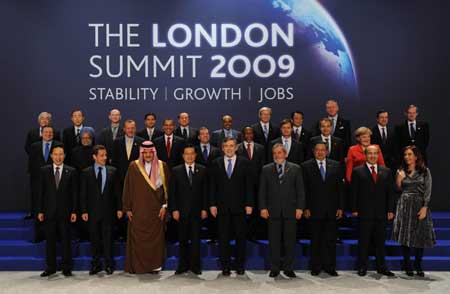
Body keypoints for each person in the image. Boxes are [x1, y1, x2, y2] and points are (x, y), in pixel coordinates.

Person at [122, 141, 170, 274]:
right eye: (145, 153)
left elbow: (168, 190)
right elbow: (128, 188)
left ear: (154, 152)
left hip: (156, 211)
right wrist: (127, 208)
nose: (148, 155)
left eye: (150, 152)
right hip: (138, 210)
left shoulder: (162, 166)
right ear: (141, 153)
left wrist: (165, 206)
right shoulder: (133, 166)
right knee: (139, 241)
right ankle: (138, 267)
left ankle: (154, 266)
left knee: (156, 241)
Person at [259, 143, 305, 278]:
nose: (277, 155)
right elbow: (262, 191)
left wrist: (300, 208)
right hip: (272, 211)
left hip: (291, 211)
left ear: (285, 154)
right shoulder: (266, 169)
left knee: (290, 241)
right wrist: (263, 207)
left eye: (280, 153)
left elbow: (300, 190)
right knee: (274, 241)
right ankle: (275, 267)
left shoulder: (296, 169)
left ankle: (288, 268)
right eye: (275, 153)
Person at [209, 138, 254, 276]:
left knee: (240, 237)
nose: (229, 148)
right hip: (221, 208)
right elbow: (212, 186)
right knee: (223, 238)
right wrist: (212, 204)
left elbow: (249, 185)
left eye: (231, 146)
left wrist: (249, 203)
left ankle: (240, 265)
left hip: (240, 207)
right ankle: (226, 266)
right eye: (226, 146)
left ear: (236, 148)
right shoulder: (216, 163)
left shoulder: (245, 163)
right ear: (222, 148)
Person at [351, 145, 395, 277]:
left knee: (380, 242)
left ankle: (382, 267)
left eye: (375, 153)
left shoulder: (386, 171)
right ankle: (362, 267)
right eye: (370, 153)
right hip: (364, 212)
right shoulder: (358, 171)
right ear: (365, 155)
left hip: (381, 213)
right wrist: (354, 209)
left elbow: (390, 193)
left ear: (378, 155)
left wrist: (390, 210)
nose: (373, 156)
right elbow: (354, 193)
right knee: (364, 241)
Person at [302, 142, 344, 276]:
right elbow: (304, 189)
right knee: (316, 240)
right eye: (317, 150)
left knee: (330, 240)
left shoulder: (336, 165)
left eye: (323, 150)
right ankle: (316, 267)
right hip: (313, 209)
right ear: (313, 151)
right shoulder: (306, 166)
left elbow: (340, 190)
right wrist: (305, 207)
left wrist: (340, 207)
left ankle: (330, 267)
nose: (320, 152)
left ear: (327, 151)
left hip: (331, 209)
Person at [392, 146, 436, 277]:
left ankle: (418, 263)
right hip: (404, 206)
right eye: (405, 154)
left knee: (419, 235)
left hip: (419, 205)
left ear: (416, 156)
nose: (407, 157)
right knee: (405, 235)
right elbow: (397, 190)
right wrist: (399, 180)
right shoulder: (400, 171)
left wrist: (425, 207)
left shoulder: (424, 171)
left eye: (410, 154)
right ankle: (407, 264)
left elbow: (428, 190)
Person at [80, 145, 123, 275]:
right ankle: (96, 264)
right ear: (94, 157)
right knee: (94, 239)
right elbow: (83, 193)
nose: (105, 157)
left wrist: (120, 208)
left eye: (106, 155)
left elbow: (117, 192)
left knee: (108, 238)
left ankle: (109, 264)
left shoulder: (113, 171)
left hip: (108, 211)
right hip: (92, 212)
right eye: (102, 155)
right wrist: (84, 211)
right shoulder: (86, 172)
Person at [36, 143, 78, 277]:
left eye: (61, 154)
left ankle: (66, 267)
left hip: (65, 212)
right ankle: (51, 267)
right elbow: (40, 193)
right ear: (51, 155)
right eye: (56, 154)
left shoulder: (71, 171)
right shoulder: (44, 170)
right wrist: (40, 211)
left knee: (66, 240)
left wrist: (74, 211)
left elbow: (74, 194)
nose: (58, 157)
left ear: (64, 156)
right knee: (50, 241)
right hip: (49, 212)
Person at [169, 145, 208, 275]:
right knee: (183, 239)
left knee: (196, 240)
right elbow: (172, 193)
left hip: (197, 212)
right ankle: (183, 265)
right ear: (183, 156)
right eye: (187, 154)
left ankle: (195, 266)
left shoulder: (202, 170)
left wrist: (204, 209)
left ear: (195, 155)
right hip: (181, 212)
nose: (189, 156)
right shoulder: (176, 171)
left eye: (192, 154)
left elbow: (205, 192)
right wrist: (174, 209)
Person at [28, 126, 62, 242]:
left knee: (55, 209)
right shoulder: (34, 146)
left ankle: (56, 235)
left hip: (55, 182)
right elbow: (31, 164)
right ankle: (39, 235)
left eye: (50, 132)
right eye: (46, 132)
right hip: (38, 181)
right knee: (39, 207)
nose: (48, 134)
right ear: (41, 134)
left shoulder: (59, 145)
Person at [237, 126, 266, 240]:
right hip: (242, 186)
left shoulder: (261, 148)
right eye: (246, 133)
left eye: (250, 133)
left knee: (255, 212)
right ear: (242, 135)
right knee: (242, 212)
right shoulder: (237, 148)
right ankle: (243, 234)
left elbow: (263, 167)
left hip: (257, 185)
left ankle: (255, 234)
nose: (248, 135)